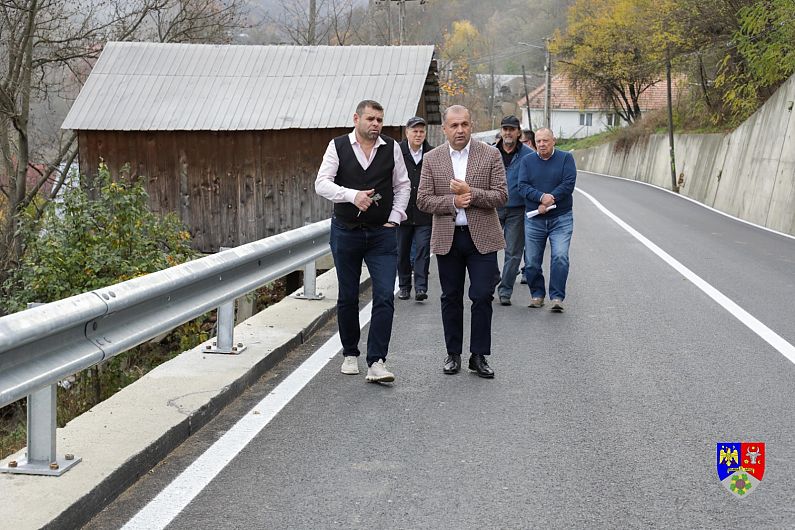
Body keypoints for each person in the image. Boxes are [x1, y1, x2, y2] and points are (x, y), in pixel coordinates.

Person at [315, 99, 410, 382]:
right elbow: (322, 183)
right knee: (348, 295)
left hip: (382, 233)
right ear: (356, 119)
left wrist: (395, 216)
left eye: (379, 120)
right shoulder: (338, 146)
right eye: (370, 119)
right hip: (346, 231)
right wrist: (351, 195)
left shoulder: (391, 147)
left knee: (385, 295)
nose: (376, 124)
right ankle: (350, 353)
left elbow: (403, 185)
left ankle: (377, 361)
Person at [417, 105, 507, 378]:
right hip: (448, 238)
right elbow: (423, 200)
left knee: (482, 295)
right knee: (451, 297)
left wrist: (471, 193)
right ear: (444, 129)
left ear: (471, 126)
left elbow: (501, 195)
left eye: (464, 124)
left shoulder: (490, 154)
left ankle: (478, 355)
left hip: (483, 238)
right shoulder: (432, 158)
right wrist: (453, 202)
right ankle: (453, 354)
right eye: (454, 125)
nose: (460, 130)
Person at [517, 127, 576, 313]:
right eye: (538, 141)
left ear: (553, 141)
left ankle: (557, 297)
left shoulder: (565, 158)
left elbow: (568, 183)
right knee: (531, 261)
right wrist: (541, 197)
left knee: (560, 257)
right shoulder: (527, 161)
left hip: (561, 218)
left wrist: (551, 198)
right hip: (535, 219)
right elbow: (522, 186)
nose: (542, 144)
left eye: (545, 141)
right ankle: (537, 294)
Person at [495, 115, 533, 306]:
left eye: (512, 129)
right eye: (505, 129)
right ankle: (492, 278)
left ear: (519, 133)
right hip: (493, 207)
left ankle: (505, 290)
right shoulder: (491, 152)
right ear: (501, 131)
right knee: (486, 249)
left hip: (518, 209)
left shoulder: (529, 155)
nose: (508, 132)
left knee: (513, 252)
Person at [397, 116, 433, 302]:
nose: (418, 135)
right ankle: (404, 286)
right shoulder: (397, 152)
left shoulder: (432, 153)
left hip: (424, 212)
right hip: (402, 212)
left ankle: (421, 287)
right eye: (414, 131)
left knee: (422, 250)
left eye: (421, 131)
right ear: (407, 132)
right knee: (402, 252)